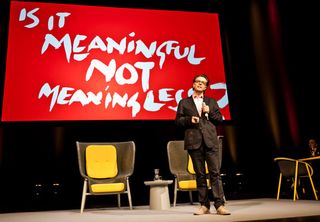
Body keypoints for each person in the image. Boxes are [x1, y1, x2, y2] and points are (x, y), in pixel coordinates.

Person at [175, 74, 230, 215]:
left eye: (203, 83)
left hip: (211, 141)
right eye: (198, 82)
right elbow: (178, 121)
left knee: (215, 174)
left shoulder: (211, 101)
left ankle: (219, 205)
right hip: (194, 142)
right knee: (200, 175)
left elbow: (219, 119)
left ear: (206, 87)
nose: (200, 84)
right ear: (193, 84)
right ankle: (204, 205)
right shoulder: (184, 102)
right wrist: (189, 120)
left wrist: (209, 111)